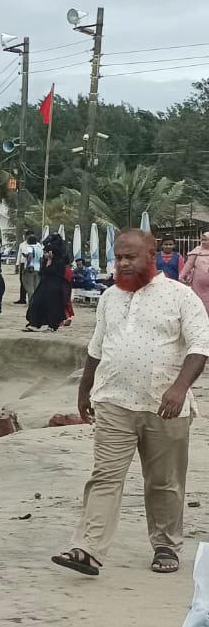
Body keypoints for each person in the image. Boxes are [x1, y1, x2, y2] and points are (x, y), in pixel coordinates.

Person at [51, 229, 209, 578]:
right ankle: (88, 549)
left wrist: (180, 388)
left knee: (164, 481)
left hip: (164, 406)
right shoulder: (110, 297)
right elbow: (97, 345)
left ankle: (166, 544)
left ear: (151, 256)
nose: (122, 263)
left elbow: (200, 347)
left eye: (130, 257)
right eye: (118, 256)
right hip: (114, 401)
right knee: (105, 476)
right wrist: (85, 389)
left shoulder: (180, 297)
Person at [25, 233, 70, 332]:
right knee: (36, 302)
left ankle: (52, 326)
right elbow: (42, 272)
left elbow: (52, 272)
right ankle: (34, 323)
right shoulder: (46, 261)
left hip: (54, 286)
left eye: (46, 252)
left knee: (52, 306)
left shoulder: (59, 262)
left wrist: (49, 263)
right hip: (45, 285)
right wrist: (47, 263)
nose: (44, 254)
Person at [179, 232, 209, 314]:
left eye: (206, 240)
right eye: (202, 240)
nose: (203, 242)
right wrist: (182, 275)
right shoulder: (197, 251)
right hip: (199, 284)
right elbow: (189, 264)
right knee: (199, 300)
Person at [15, 233, 42, 304]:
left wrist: (27, 266)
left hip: (30, 269)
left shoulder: (30, 247)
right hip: (38, 268)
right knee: (36, 286)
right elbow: (41, 259)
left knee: (29, 287)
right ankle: (37, 302)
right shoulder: (39, 248)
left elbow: (30, 256)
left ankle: (31, 302)